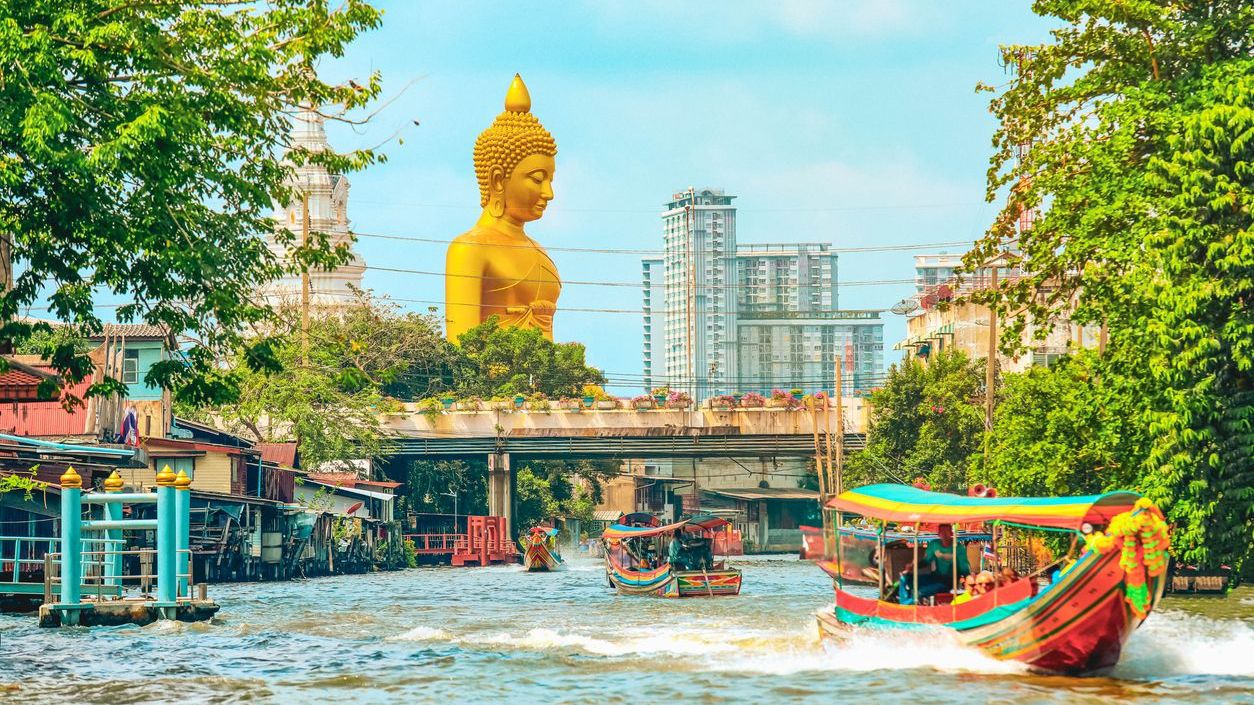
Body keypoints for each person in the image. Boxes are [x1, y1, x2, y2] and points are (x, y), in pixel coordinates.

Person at [897, 524, 971, 605]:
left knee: (921, 592)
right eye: (942, 532)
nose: (945, 534)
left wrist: (969, 579)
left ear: (951, 533)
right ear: (939, 534)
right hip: (935, 577)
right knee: (905, 578)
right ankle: (904, 603)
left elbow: (964, 568)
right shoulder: (934, 545)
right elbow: (926, 561)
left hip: (948, 582)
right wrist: (912, 567)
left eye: (947, 532)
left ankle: (910, 604)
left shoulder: (958, 547)